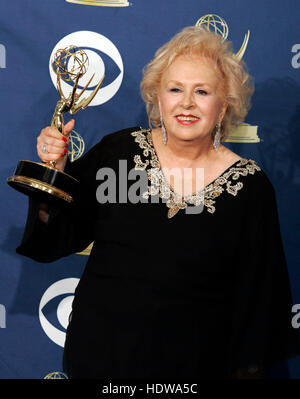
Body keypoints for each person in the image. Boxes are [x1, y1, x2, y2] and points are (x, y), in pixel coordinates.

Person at [16, 26, 300, 379]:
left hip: (198, 367)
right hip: (101, 358)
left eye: (202, 91)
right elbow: (56, 237)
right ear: (157, 98)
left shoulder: (250, 188)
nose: (186, 103)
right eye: (175, 89)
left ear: (224, 105)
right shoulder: (118, 153)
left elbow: (259, 302)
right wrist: (56, 173)